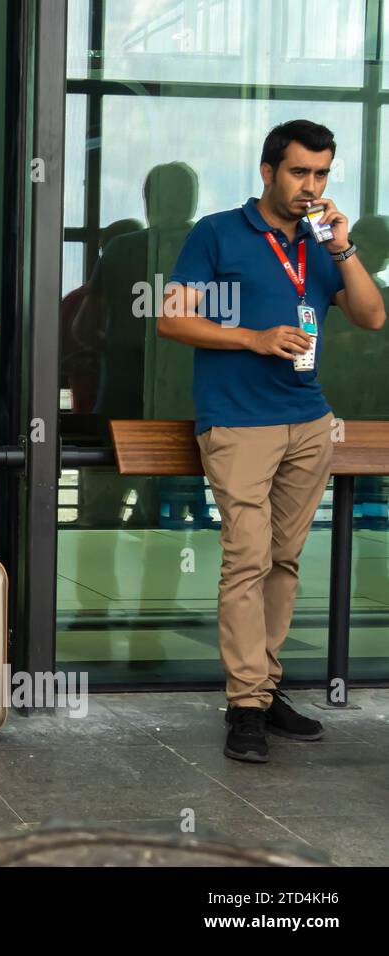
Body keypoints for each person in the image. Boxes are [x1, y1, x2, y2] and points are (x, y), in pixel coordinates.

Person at [158, 120, 386, 764]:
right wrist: (253, 338)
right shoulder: (217, 233)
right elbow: (172, 317)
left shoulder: (322, 242)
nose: (310, 186)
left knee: (284, 561)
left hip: (309, 422)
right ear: (267, 172)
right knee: (247, 558)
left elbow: (371, 316)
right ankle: (245, 704)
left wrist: (343, 247)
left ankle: (266, 685)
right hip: (237, 422)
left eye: (321, 174)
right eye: (298, 173)